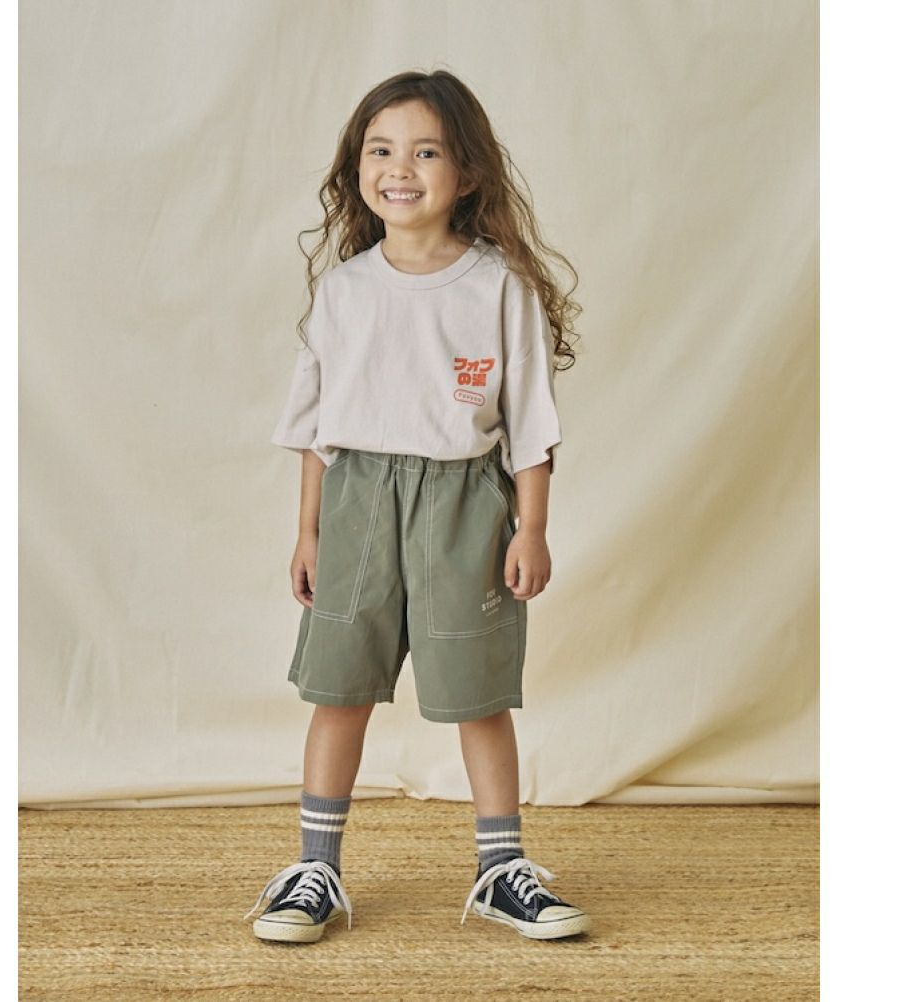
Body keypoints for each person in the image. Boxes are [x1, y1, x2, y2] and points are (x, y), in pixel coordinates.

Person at [243, 69, 588, 944]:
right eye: (381, 150)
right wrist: (307, 533)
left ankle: (501, 869)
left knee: (478, 696)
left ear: (465, 173)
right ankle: (315, 869)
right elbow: (317, 431)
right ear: (357, 168)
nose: (400, 169)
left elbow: (531, 423)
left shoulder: (498, 286)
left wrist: (533, 527)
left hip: (464, 504)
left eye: (426, 152)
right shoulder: (344, 290)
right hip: (357, 501)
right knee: (340, 691)